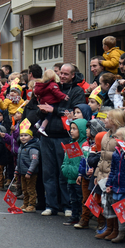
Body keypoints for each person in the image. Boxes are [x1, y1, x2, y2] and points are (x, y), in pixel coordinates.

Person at [37, 64, 86, 217]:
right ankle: (51, 205)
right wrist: (41, 110)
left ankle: (67, 206)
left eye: (66, 74)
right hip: (47, 136)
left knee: (65, 173)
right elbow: (39, 104)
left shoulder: (77, 91)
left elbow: (75, 113)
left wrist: (55, 110)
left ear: (72, 75)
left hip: (66, 137)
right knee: (48, 173)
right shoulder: (52, 86)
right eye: (61, 73)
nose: (63, 76)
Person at [94, 109, 125, 238]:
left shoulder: (122, 136)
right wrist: (98, 174)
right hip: (103, 173)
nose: (105, 120)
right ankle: (109, 227)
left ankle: (117, 229)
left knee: (115, 202)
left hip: (113, 173)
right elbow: (101, 156)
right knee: (106, 202)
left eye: (108, 118)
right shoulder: (105, 135)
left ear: (114, 121)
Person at [105, 126, 125, 243]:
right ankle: (121, 232)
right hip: (117, 187)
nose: (114, 138)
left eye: (117, 137)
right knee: (120, 211)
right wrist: (109, 184)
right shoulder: (116, 153)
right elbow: (113, 170)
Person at [61, 119, 87, 226]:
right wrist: (64, 168)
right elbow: (66, 159)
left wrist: (77, 172)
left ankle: (82, 216)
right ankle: (74, 216)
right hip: (70, 177)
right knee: (73, 199)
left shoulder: (84, 145)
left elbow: (83, 161)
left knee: (79, 198)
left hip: (78, 177)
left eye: (74, 129)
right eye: (71, 128)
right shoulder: (71, 144)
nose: (71, 131)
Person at [33, 69, 69, 136]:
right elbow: (57, 92)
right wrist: (63, 96)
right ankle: (42, 128)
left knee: (45, 114)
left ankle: (38, 123)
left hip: (44, 101)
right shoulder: (53, 84)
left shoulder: (43, 85)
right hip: (50, 102)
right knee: (49, 115)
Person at [15, 128, 40, 212]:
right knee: (24, 189)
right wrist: (16, 170)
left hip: (30, 173)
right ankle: (25, 203)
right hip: (22, 172)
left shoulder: (32, 148)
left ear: (31, 137)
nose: (23, 137)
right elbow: (18, 161)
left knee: (31, 189)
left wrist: (30, 171)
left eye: (26, 135)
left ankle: (32, 205)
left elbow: (35, 160)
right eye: (21, 135)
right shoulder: (21, 147)